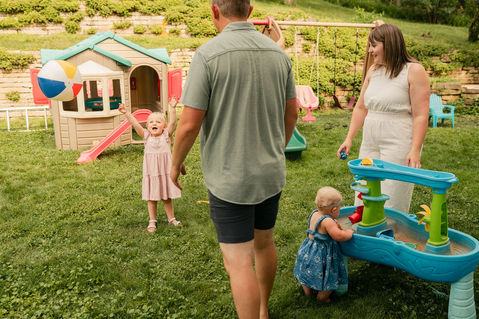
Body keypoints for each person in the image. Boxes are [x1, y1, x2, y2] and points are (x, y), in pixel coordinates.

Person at [170, 0, 298, 317]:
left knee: (238, 262)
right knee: (264, 244)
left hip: (231, 178)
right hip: (270, 172)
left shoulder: (208, 55)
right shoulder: (279, 54)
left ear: (215, 11)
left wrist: (174, 164)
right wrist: (276, 148)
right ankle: (264, 310)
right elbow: (292, 112)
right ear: (250, 11)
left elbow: (188, 125)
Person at [336, 23, 430, 214]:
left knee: (392, 197)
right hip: (370, 139)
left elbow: (420, 115)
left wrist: (415, 149)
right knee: (364, 191)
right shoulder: (373, 71)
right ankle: (365, 236)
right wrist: (349, 138)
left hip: (399, 139)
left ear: (390, 44)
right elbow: (361, 108)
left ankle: (390, 237)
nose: (370, 51)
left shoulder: (414, 70)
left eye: (374, 45)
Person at [118, 97, 182, 232]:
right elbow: (135, 124)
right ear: (147, 126)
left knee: (166, 196)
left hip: (164, 172)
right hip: (152, 173)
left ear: (163, 126)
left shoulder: (166, 135)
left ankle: (171, 218)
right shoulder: (146, 136)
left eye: (158, 122)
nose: (155, 123)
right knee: (152, 197)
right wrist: (126, 113)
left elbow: (172, 124)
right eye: (151, 122)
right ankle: (152, 220)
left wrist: (172, 108)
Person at [293, 186, 353, 303]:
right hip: (322, 255)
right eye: (339, 209)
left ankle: (307, 292)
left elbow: (321, 229)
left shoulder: (315, 214)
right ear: (334, 210)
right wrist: (349, 232)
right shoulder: (328, 221)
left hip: (308, 250)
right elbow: (339, 236)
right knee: (329, 275)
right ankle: (323, 297)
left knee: (307, 271)